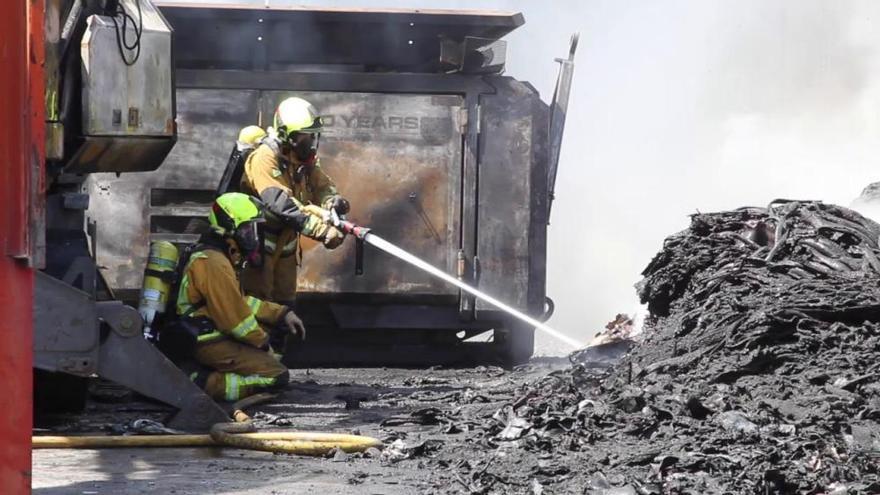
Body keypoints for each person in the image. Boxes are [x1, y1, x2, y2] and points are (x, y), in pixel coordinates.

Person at [176, 192, 305, 401]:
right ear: (228, 228)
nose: (251, 236)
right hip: (207, 342)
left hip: (209, 334)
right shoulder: (213, 263)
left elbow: (240, 301)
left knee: (272, 336)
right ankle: (202, 382)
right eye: (246, 229)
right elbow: (235, 320)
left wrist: (281, 314)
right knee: (277, 376)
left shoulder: (221, 258)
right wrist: (264, 344)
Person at [239, 97, 350, 305]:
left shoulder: (302, 158)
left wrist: (332, 201)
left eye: (313, 136)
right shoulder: (264, 158)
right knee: (258, 303)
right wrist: (322, 230)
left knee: (284, 304)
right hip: (259, 246)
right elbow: (280, 202)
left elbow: (322, 184)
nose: (311, 142)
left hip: (285, 245)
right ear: (286, 135)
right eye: (306, 137)